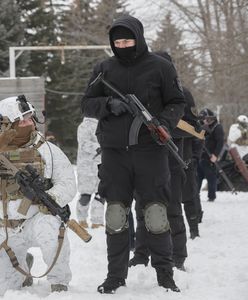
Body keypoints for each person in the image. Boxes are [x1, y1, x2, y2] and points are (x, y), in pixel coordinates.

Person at [81, 15, 185, 294]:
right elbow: (86, 104)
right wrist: (108, 104)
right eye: (117, 41)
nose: (123, 45)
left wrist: (163, 124)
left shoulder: (160, 67)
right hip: (115, 154)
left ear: (138, 38)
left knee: (155, 214)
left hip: (151, 152)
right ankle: (115, 276)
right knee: (116, 216)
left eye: (127, 40)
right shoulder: (104, 68)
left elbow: (177, 102)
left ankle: (165, 274)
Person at [0, 95, 76, 295]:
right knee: (5, 288)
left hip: (37, 220)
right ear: (8, 124)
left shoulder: (48, 150)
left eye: (30, 118)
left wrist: (51, 198)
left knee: (51, 228)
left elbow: (68, 183)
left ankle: (59, 281)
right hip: (5, 227)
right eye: (22, 120)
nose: (29, 123)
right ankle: (23, 267)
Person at [76, 118, 105, 228]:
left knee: (101, 194)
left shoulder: (104, 124)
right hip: (86, 167)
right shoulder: (84, 126)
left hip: (102, 165)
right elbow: (83, 143)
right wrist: (98, 148)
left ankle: (97, 221)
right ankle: (82, 220)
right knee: (85, 196)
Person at [197, 108, 225, 201]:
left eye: (207, 119)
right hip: (200, 155)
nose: (205, 121)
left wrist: (215, 155)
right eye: (204, 119)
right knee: (197, 177)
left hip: (210, 157)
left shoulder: (217, 127)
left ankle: (211, 196)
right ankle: (195, 195)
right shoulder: (202, 126)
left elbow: (220, 142)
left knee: (211, 177)